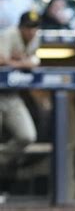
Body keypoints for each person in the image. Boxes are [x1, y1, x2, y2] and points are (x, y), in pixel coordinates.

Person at [0, 11, 41, 167]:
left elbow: (35, 62)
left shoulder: (35, 39)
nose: (31, 31)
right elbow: (1, 60)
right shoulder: (8, 35)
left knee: (27, 136)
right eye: (28, 28)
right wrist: (23, 62)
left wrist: (16, 62)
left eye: (34, 27)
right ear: (21, 27)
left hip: (12, 95)